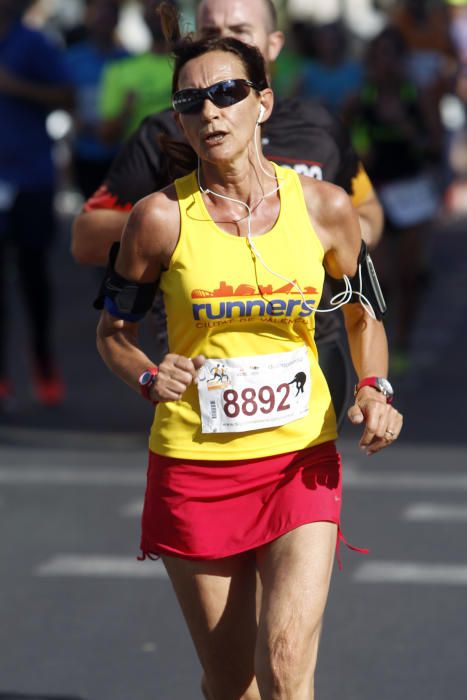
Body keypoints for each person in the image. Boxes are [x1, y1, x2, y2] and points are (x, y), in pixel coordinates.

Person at [96, 25, 403, 699]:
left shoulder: (324, 209)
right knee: (233, 682)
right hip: (194, 469)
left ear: (261, 103)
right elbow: (112, 331)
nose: (209, 111)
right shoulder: (157, 220)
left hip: (299, 460)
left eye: (226, 92)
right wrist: (149, 375)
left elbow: (362, 315)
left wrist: (374, 388)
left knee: (287, 664)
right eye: (190, 101)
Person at [72, 0, 384, 427]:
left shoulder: (319, 126)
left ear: (273, 45)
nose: (224, 40)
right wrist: (190, 224)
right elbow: (84, 236)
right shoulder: (168, 128)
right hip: (203, 351)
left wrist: (327, 231)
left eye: (239, 29)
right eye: (209, 30)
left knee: (304, 459)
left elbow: (365, 210)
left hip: (310, 338)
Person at [0, 0, 74, 407]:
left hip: (29, 179)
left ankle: (44, 363)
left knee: (33, 279)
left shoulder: (33, 43)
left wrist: (16, 86)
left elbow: (68, 97)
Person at [65, 0, 130, 200]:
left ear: (117, 18)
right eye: (97, 13)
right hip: (84, 153)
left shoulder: (129, 60)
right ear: (87, 17)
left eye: (108, 13)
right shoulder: (72, 59)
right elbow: (64, 99)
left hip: (121, 156)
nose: (103, 18)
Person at [97, 0, 177, 147]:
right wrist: (126, 111)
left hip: (184, 162)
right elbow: (106, 137)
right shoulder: (120, 68)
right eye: (152, 9)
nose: (157, 14)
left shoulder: (190, 65)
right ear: (144, 16)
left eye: (163, 8)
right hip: (140, 161)